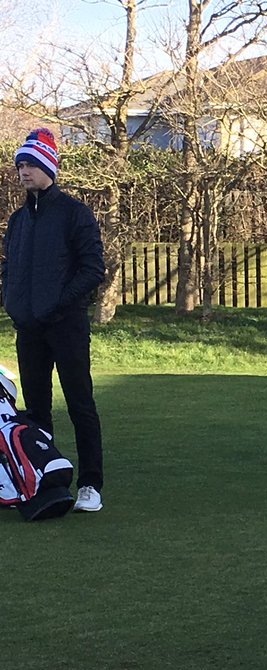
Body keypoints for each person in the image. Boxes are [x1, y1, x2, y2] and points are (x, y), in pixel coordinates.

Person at [1, 128, 106, 512]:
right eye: (20, 165)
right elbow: (10, 270)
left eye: (30, 164)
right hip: (29, 328)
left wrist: (57, 305)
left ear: (48, 167)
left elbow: (93, 269)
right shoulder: (17, 220)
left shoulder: (75, 213)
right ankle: (44, 479)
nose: (23, 171)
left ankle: (91, 485)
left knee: (80, 403)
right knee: (36, 410)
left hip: (66, 325)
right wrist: (14, 303)